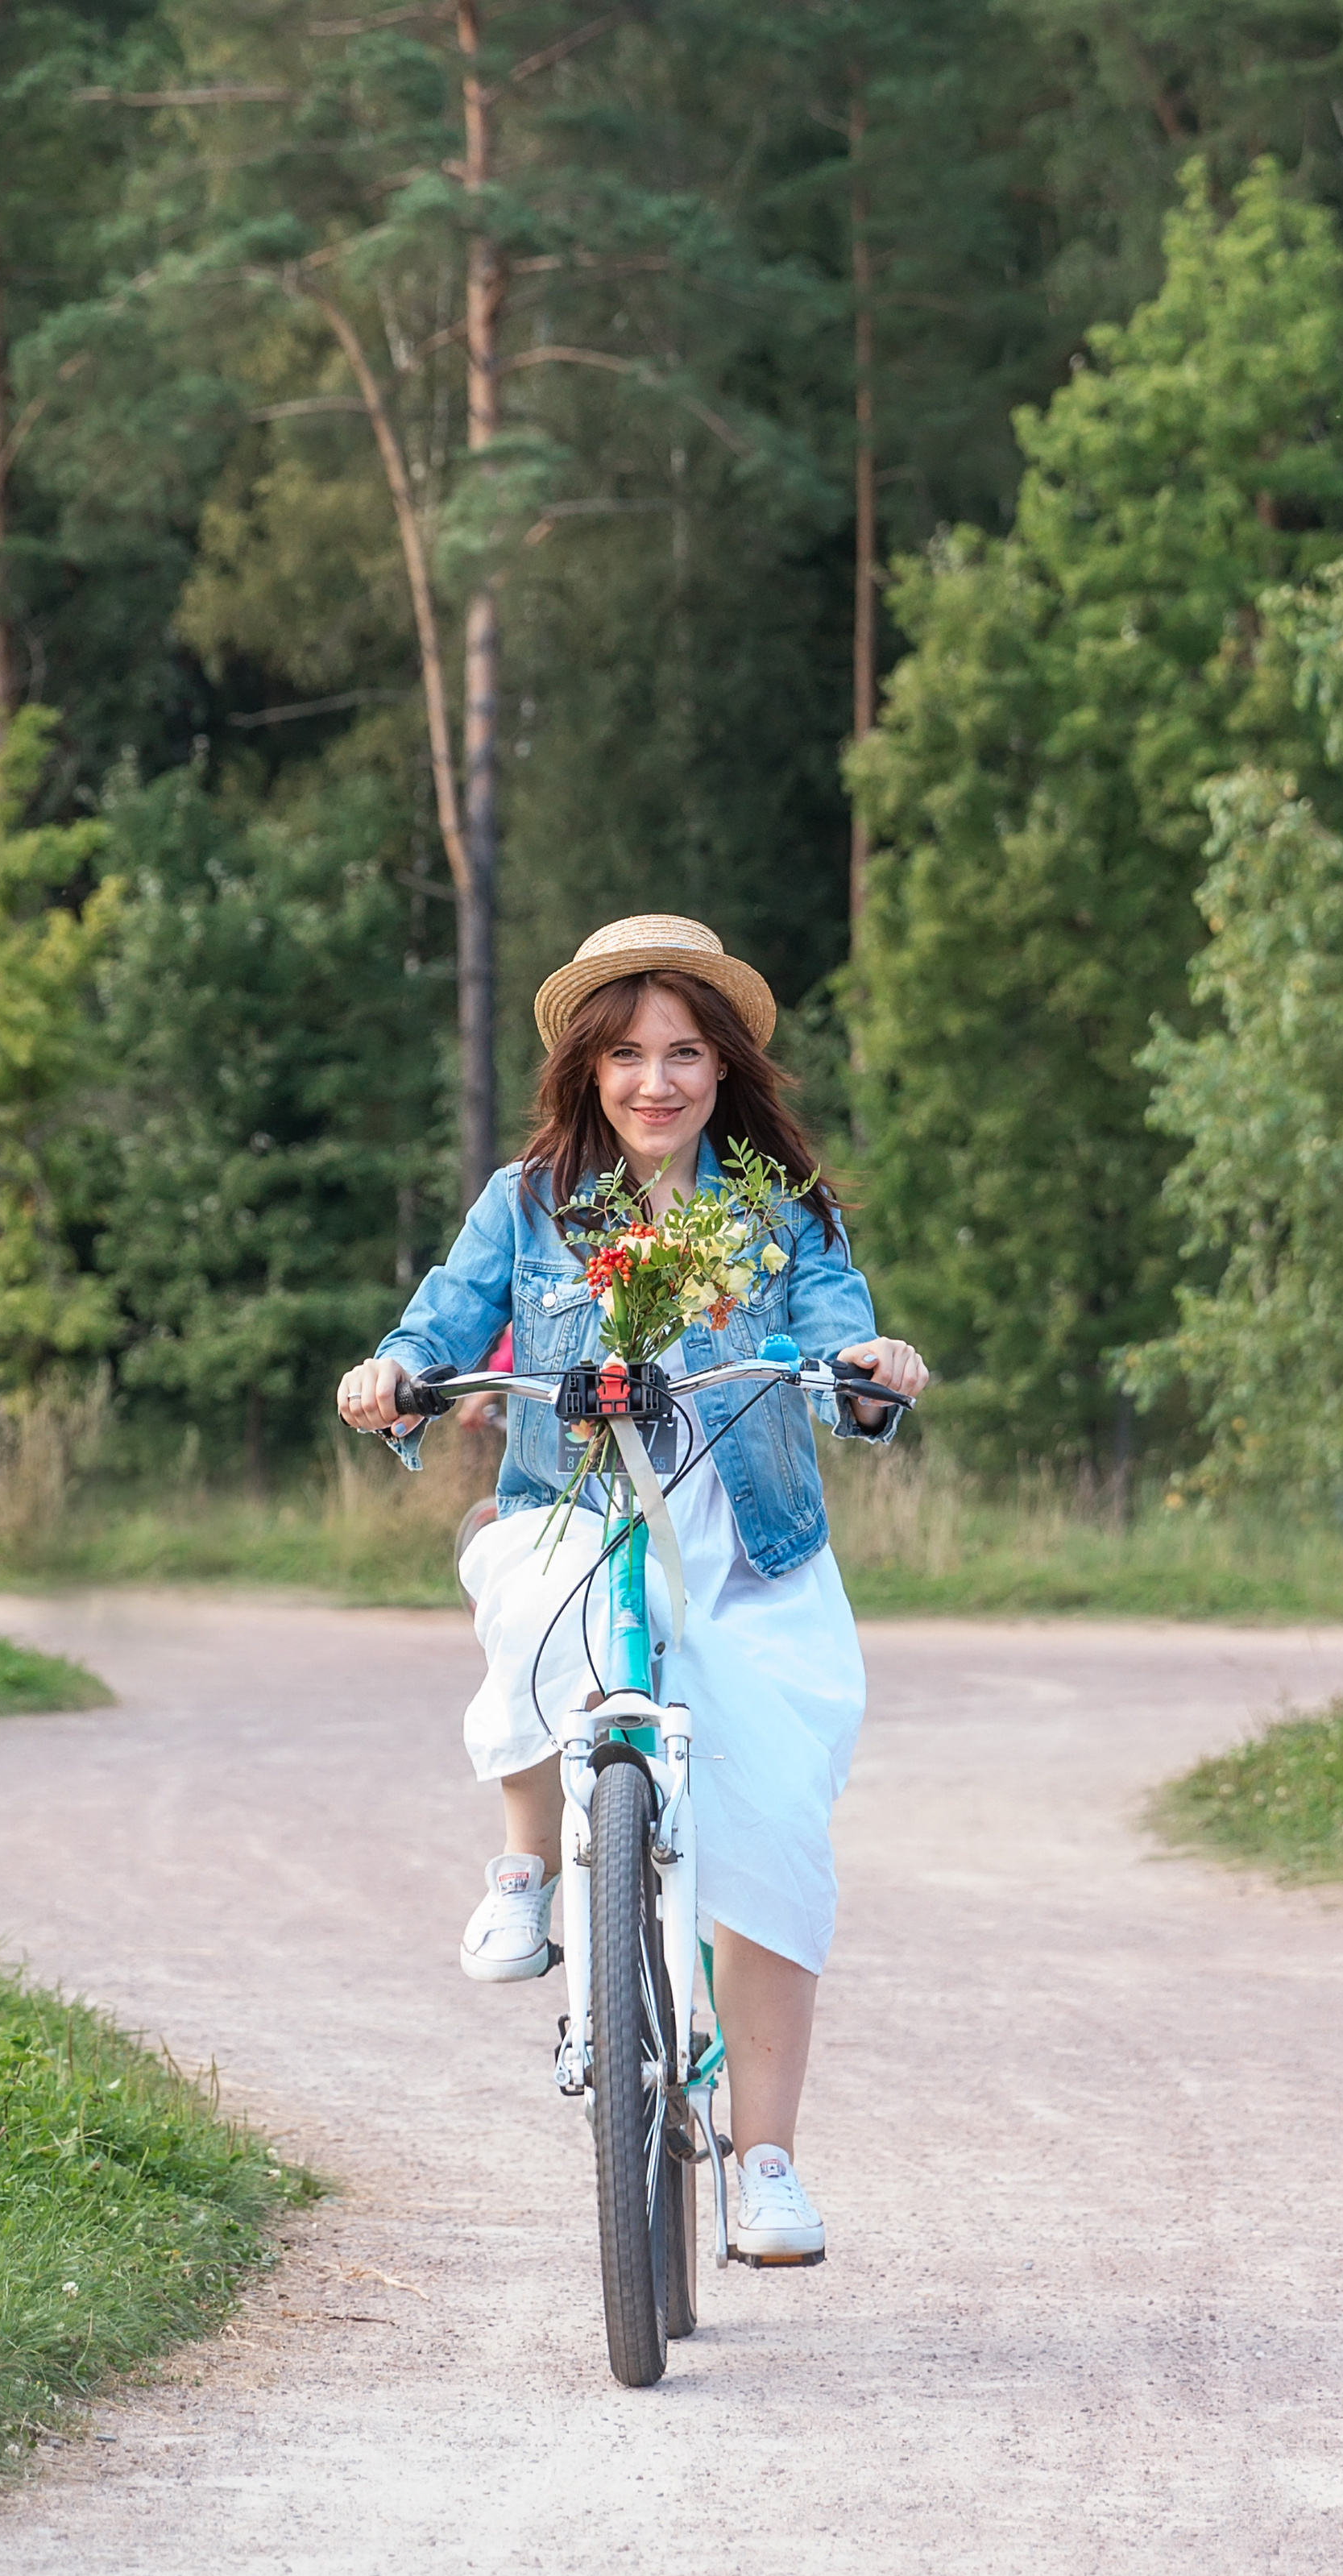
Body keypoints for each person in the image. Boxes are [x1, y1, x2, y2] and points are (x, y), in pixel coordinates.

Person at [335, 912, 928, 2266]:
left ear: (723, 1069)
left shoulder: (780, 1211)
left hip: (751, 1560)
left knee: (776, 1840)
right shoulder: (531, 1200)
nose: (654, 1082)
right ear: (588, 1072)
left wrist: (873, 1368)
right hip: (585, 1524)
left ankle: (766, 2164)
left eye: (682, 1053)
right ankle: (527, 1868)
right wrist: (392, 1377)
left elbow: (840, 1334)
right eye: (626, 1056)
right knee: (529, 1580)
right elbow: (441, 1320)